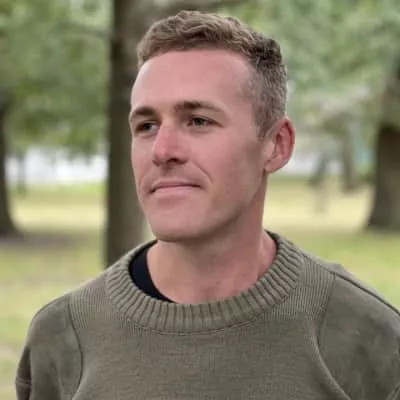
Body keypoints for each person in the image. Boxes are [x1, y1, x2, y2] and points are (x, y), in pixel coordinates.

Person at [16, 10, 400, 400]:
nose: (162, 151)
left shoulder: (366, 338)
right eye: (147, 126)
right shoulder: (63, 337)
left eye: (198, 121)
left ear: (276, 145)